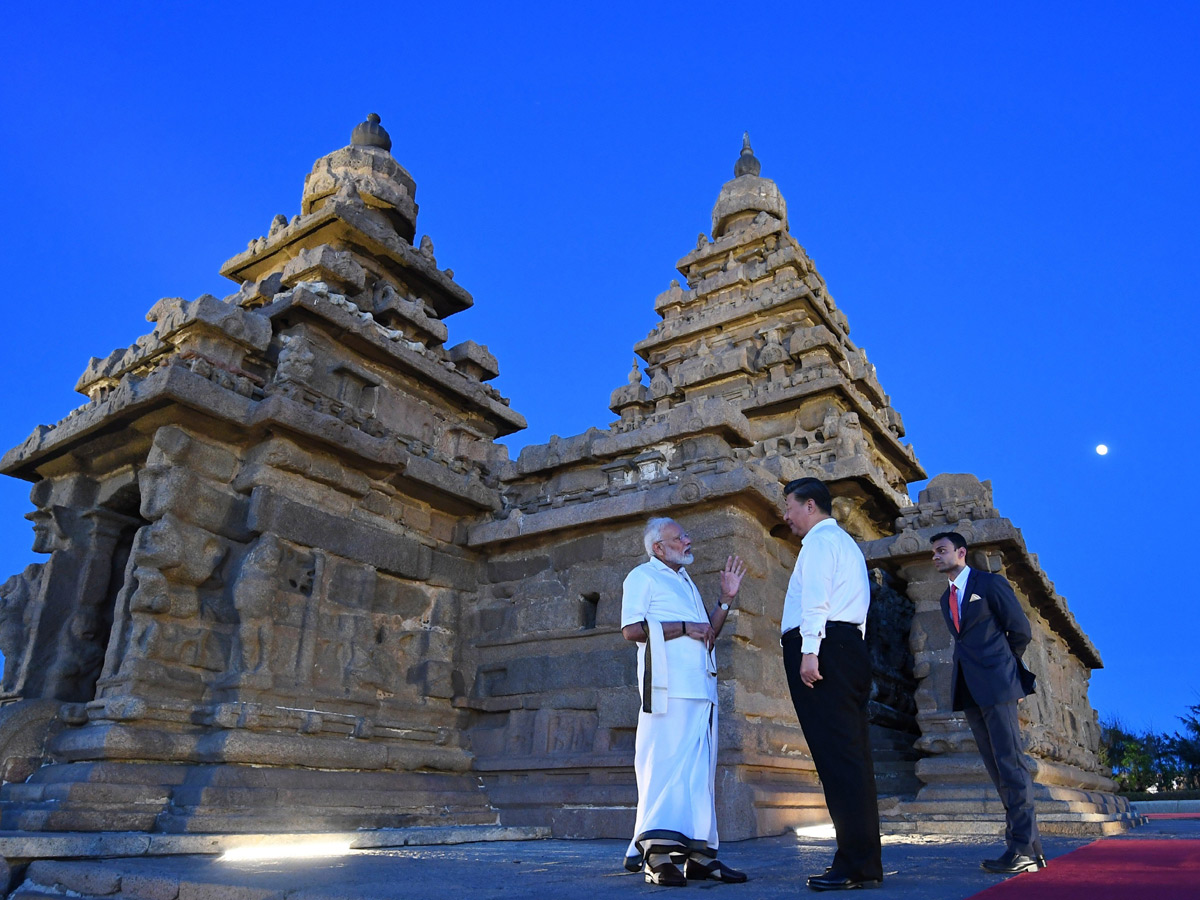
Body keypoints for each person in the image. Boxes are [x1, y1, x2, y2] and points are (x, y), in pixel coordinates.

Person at [620, 517, 749, 886]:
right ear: (658, 548)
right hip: (667, 691)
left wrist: (725, 598)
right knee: (663, 769)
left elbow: (708, 634)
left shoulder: (686, 581)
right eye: (680, 537)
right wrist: (684, 627)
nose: (689, 540)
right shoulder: (642, 577)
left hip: (701, 690)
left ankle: (700, 857)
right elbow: (631, 630)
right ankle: (656, 856)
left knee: (697, 777)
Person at [780, 477, 883, 892]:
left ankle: (855, 864)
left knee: (838, 762)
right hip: (844, 649)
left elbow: (816, 600)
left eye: (788, 506)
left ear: (809, 505)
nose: (785, 515)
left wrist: (809, 651)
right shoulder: (844, 543)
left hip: (825, 650)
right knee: (851, 760)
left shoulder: (820, 543)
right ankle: (862, 861)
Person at [930, 531, 1044, 874]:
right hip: (968, 689)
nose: (935, 556)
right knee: (997, 768)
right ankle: (1030, 850)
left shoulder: (989, 584)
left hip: (998, 685)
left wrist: (1005, 668)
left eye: (941, 550)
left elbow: (1019, 630)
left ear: (961, 553)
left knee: (1011, 765)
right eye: (933, 552)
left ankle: (1022, 848)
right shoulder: (943, 598)